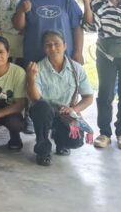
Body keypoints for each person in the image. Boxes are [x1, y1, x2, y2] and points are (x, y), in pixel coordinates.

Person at [26, 31, 94, 166]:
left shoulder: (77, 69)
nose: (53, 48)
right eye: (48, 45)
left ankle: (60, 141)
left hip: (65, 114)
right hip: (45, 113)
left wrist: (74, 109)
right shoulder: (37, 68)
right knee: (41, 107)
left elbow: (88, 97)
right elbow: (35, 98)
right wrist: (31, 79)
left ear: (65, 46)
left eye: (57, 44)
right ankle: (43, 150)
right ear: (44, 49)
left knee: (76, 141)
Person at [13, 0, 83, 64]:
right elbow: (18, 27)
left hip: (64, 55)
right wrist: (21, 11)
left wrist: (78, 52)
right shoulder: (27, 0)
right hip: (36, 55)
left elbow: (77, 27)